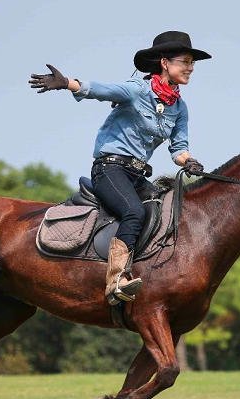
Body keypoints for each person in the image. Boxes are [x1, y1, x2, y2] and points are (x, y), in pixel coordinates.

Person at [29, 30, 210, 304]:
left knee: (165, 212)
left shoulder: (179, 108)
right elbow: (103, 90)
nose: (191, 68)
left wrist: (191, 161)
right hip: (109, 169)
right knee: (134, 212)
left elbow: (178, 149)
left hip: (137, 175)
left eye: (192, 63)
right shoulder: (137, 91)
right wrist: (67, 83)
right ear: (165, 63)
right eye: (185, 61)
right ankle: (115, 280)